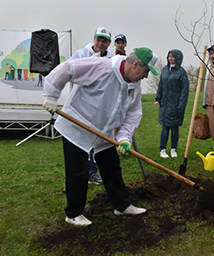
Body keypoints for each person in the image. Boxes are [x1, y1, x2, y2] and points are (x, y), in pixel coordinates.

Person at [42, 47, 159, 226]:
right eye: (145, 72)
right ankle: (73, 213)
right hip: (77, 125)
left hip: (103, 132)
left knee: (112, 167)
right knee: (78, 171)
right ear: (135, 64)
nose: (146, 77)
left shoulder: (134, 86)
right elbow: (68, 69)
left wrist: (124, 138)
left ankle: (122, 205)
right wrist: (51, 95)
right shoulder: (102, 67)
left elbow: (133, 114)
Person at [70, 27, 114, 185]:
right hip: (81, 104)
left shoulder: (112, 58)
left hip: (100, 105)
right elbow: (69, 72)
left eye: (104, 41)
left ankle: (92, 172)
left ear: (109, 43)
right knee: (79, 143)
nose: (100, 44)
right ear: (94, 39)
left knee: (96, 140)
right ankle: (77, 177)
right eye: (98, 40)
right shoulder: (81, 54)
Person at [155, 49, 189, 158]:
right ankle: (163, 149)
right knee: (165, 127)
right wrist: (158, 98)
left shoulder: (181, 73)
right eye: (169, 56)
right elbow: (161, 85)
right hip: (165, 104)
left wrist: (181, 106)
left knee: (175, 128)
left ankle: (173, 149)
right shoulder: (165, 70)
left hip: (176, 105)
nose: (170, 58)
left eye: (173, 56)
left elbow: (185, 90)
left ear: (178, 58)